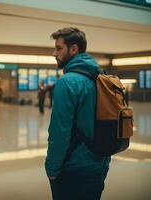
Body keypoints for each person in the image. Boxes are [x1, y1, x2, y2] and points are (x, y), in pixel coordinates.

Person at [45, 27, 111, 200]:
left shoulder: (67, 82)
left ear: (73, 49)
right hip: (99, 167)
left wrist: (52, 170)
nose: (54, 53)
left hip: (73, 171)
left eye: (59, 48)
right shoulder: (102, 77)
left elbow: (59, 133)